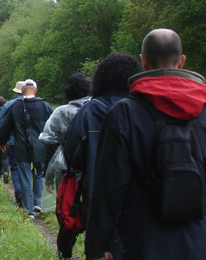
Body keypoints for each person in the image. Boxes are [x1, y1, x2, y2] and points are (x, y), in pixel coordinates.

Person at [84, 29, 206, 260]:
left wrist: (97, 247)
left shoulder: (124, 113)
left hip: (143, 242)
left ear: (143, 61)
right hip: (201, 241)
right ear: (182, 61)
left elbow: (108, 186)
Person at [62, 53, 143, 260]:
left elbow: (73, 154)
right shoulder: (143, 109)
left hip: (97, 196)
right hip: (140, 204)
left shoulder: (91, 110)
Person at [37, 73, 90, 259]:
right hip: (92, 169)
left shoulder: (62, 112)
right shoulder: (97, 108)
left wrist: (48, 174)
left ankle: (64, 252)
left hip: (66, 169)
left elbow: (49, 141)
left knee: (68, 210)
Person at [0, 79, 53, 219]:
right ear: (36, 91)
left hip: (21, 148)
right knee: (39, 173)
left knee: (25, 176)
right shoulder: (45, 106)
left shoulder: (15, 107)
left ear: (21, 91)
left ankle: (28, 209)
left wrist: (2, 141)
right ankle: (38, 202)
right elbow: (52, 128)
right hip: (40, 147)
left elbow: (5, 126)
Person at [40, 73, 91, 193]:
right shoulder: (94, 109)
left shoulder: (61, 112)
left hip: (65, 166)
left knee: (66, 202)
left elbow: (51, 143)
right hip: (91, 164)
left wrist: (48, 174)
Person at [0, 81, 26, 206]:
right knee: (30, 169)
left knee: (16, 168)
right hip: (31, 143)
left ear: (15, 91)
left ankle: (19, 194)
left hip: (12, 142)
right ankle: (33, 199)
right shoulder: (37, 104)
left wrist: (0, 139)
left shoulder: (10, 105)